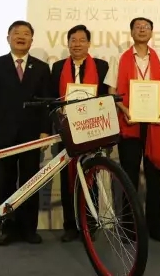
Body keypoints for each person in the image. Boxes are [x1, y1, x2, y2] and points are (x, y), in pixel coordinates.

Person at [0, 20, 52, 246]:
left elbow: (46, 102)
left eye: (26, 33)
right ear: (8, 38)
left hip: (32, 134)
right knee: (6, 182)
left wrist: (45, 130)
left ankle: (29, 229)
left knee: (30, 182)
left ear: (32, 39)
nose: (21, 37)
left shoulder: (41, 68)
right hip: (4, 133)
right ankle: (7, 228)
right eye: (16, 33)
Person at [104, 17, 160, 243]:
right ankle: (128, 227)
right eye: (138, 27)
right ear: (131, 32)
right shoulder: (120, 58)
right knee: (129, 176)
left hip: (154, 124)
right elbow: (112, 90)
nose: (142, 30)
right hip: (129, 123)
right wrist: (123, 109)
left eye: (146, 27)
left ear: (152, 32)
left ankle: (156, 227)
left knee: (154, 176)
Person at [50, 25, 109, 242]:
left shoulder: (101, 66)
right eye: (73, 40)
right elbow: (53, 99)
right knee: (67, 179)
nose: (77, 44)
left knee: (91, 175)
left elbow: (105, 97)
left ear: (89, 43)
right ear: (68, 43)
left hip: (92, 130)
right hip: (66, 131)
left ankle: (90, 225)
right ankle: (70, 226)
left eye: (82, 40)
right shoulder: (58, 67)